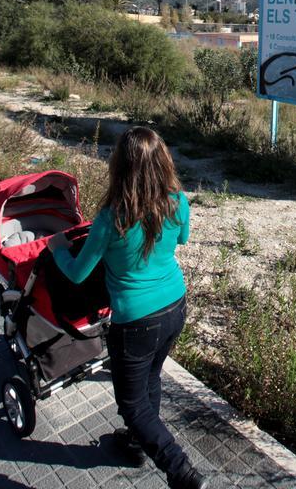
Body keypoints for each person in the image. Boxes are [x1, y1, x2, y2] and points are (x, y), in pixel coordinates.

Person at [48, 126, 209, 489]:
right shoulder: (177, 200)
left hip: (135, 319)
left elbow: (76, 273)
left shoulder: (111, 217)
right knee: (150, 377)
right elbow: (181, 237)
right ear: (163, 161)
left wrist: (57, 247)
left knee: (132, 405)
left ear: (119, 165)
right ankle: (138, 443)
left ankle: (179, 469)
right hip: (175, 305)